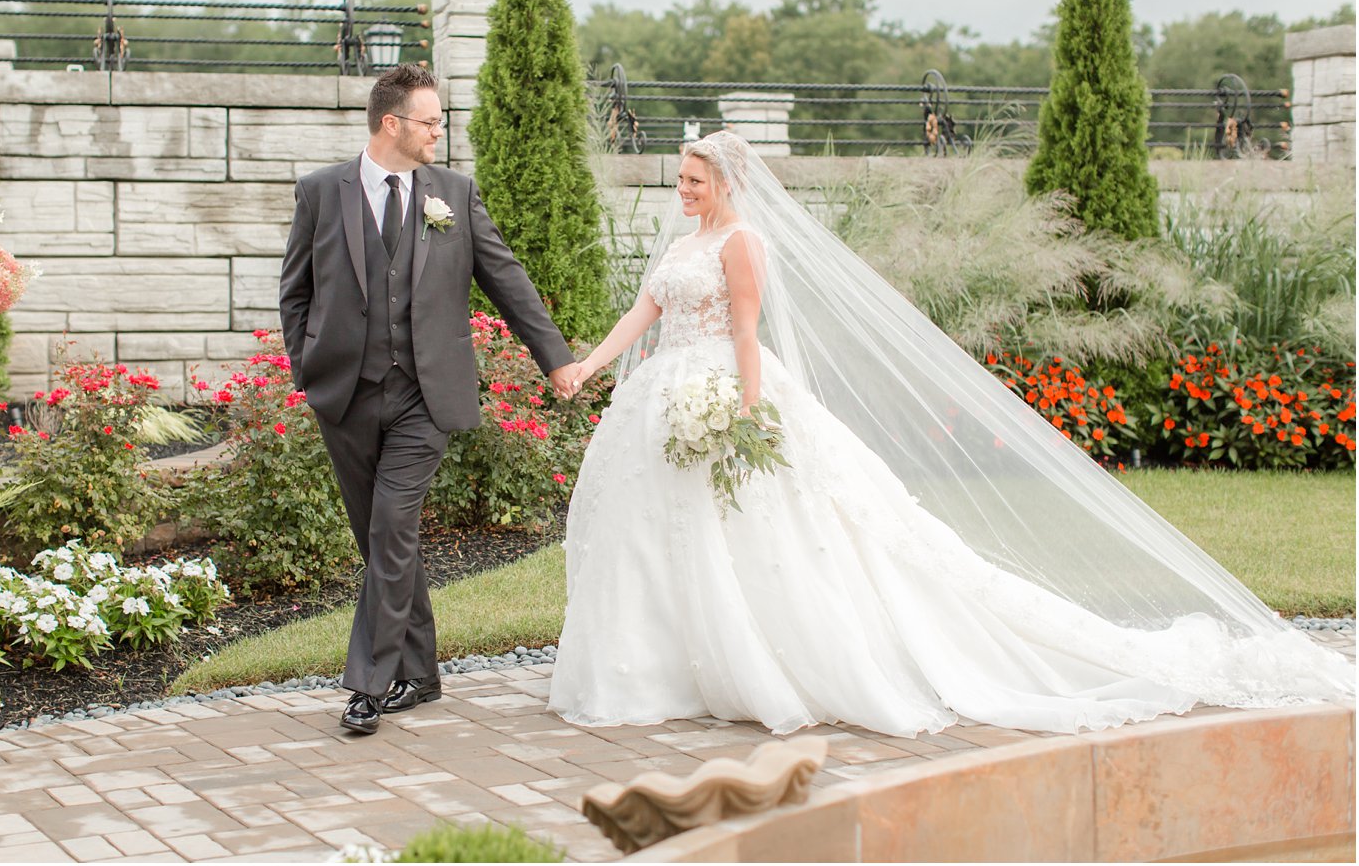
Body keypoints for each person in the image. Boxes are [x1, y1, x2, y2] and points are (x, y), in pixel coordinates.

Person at [547, 130, 1352, 737]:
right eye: (680, 180)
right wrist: (588, 365)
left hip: (729, 387)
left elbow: (750, 332)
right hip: (665, 393)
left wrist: (750, 409)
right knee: (661, 529)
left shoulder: (744, 243)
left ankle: (778, 660)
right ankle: (665, 662)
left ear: (724, 182)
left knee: (768, 525)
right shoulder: (683, 243)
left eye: (692, 180)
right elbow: (644, 313)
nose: (681, 190)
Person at [280, 64, 581, 736]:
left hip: (426, 396)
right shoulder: (322, 192)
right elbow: (294, 290)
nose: (439, 133)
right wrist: (307, 369)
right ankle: (421, 672)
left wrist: (555, 359)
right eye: (430, 121)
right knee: (380, 539)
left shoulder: (454, 195)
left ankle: (367, 685)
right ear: (393, 124)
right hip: (346, 395)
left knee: (392, 528)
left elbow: (507, 279)